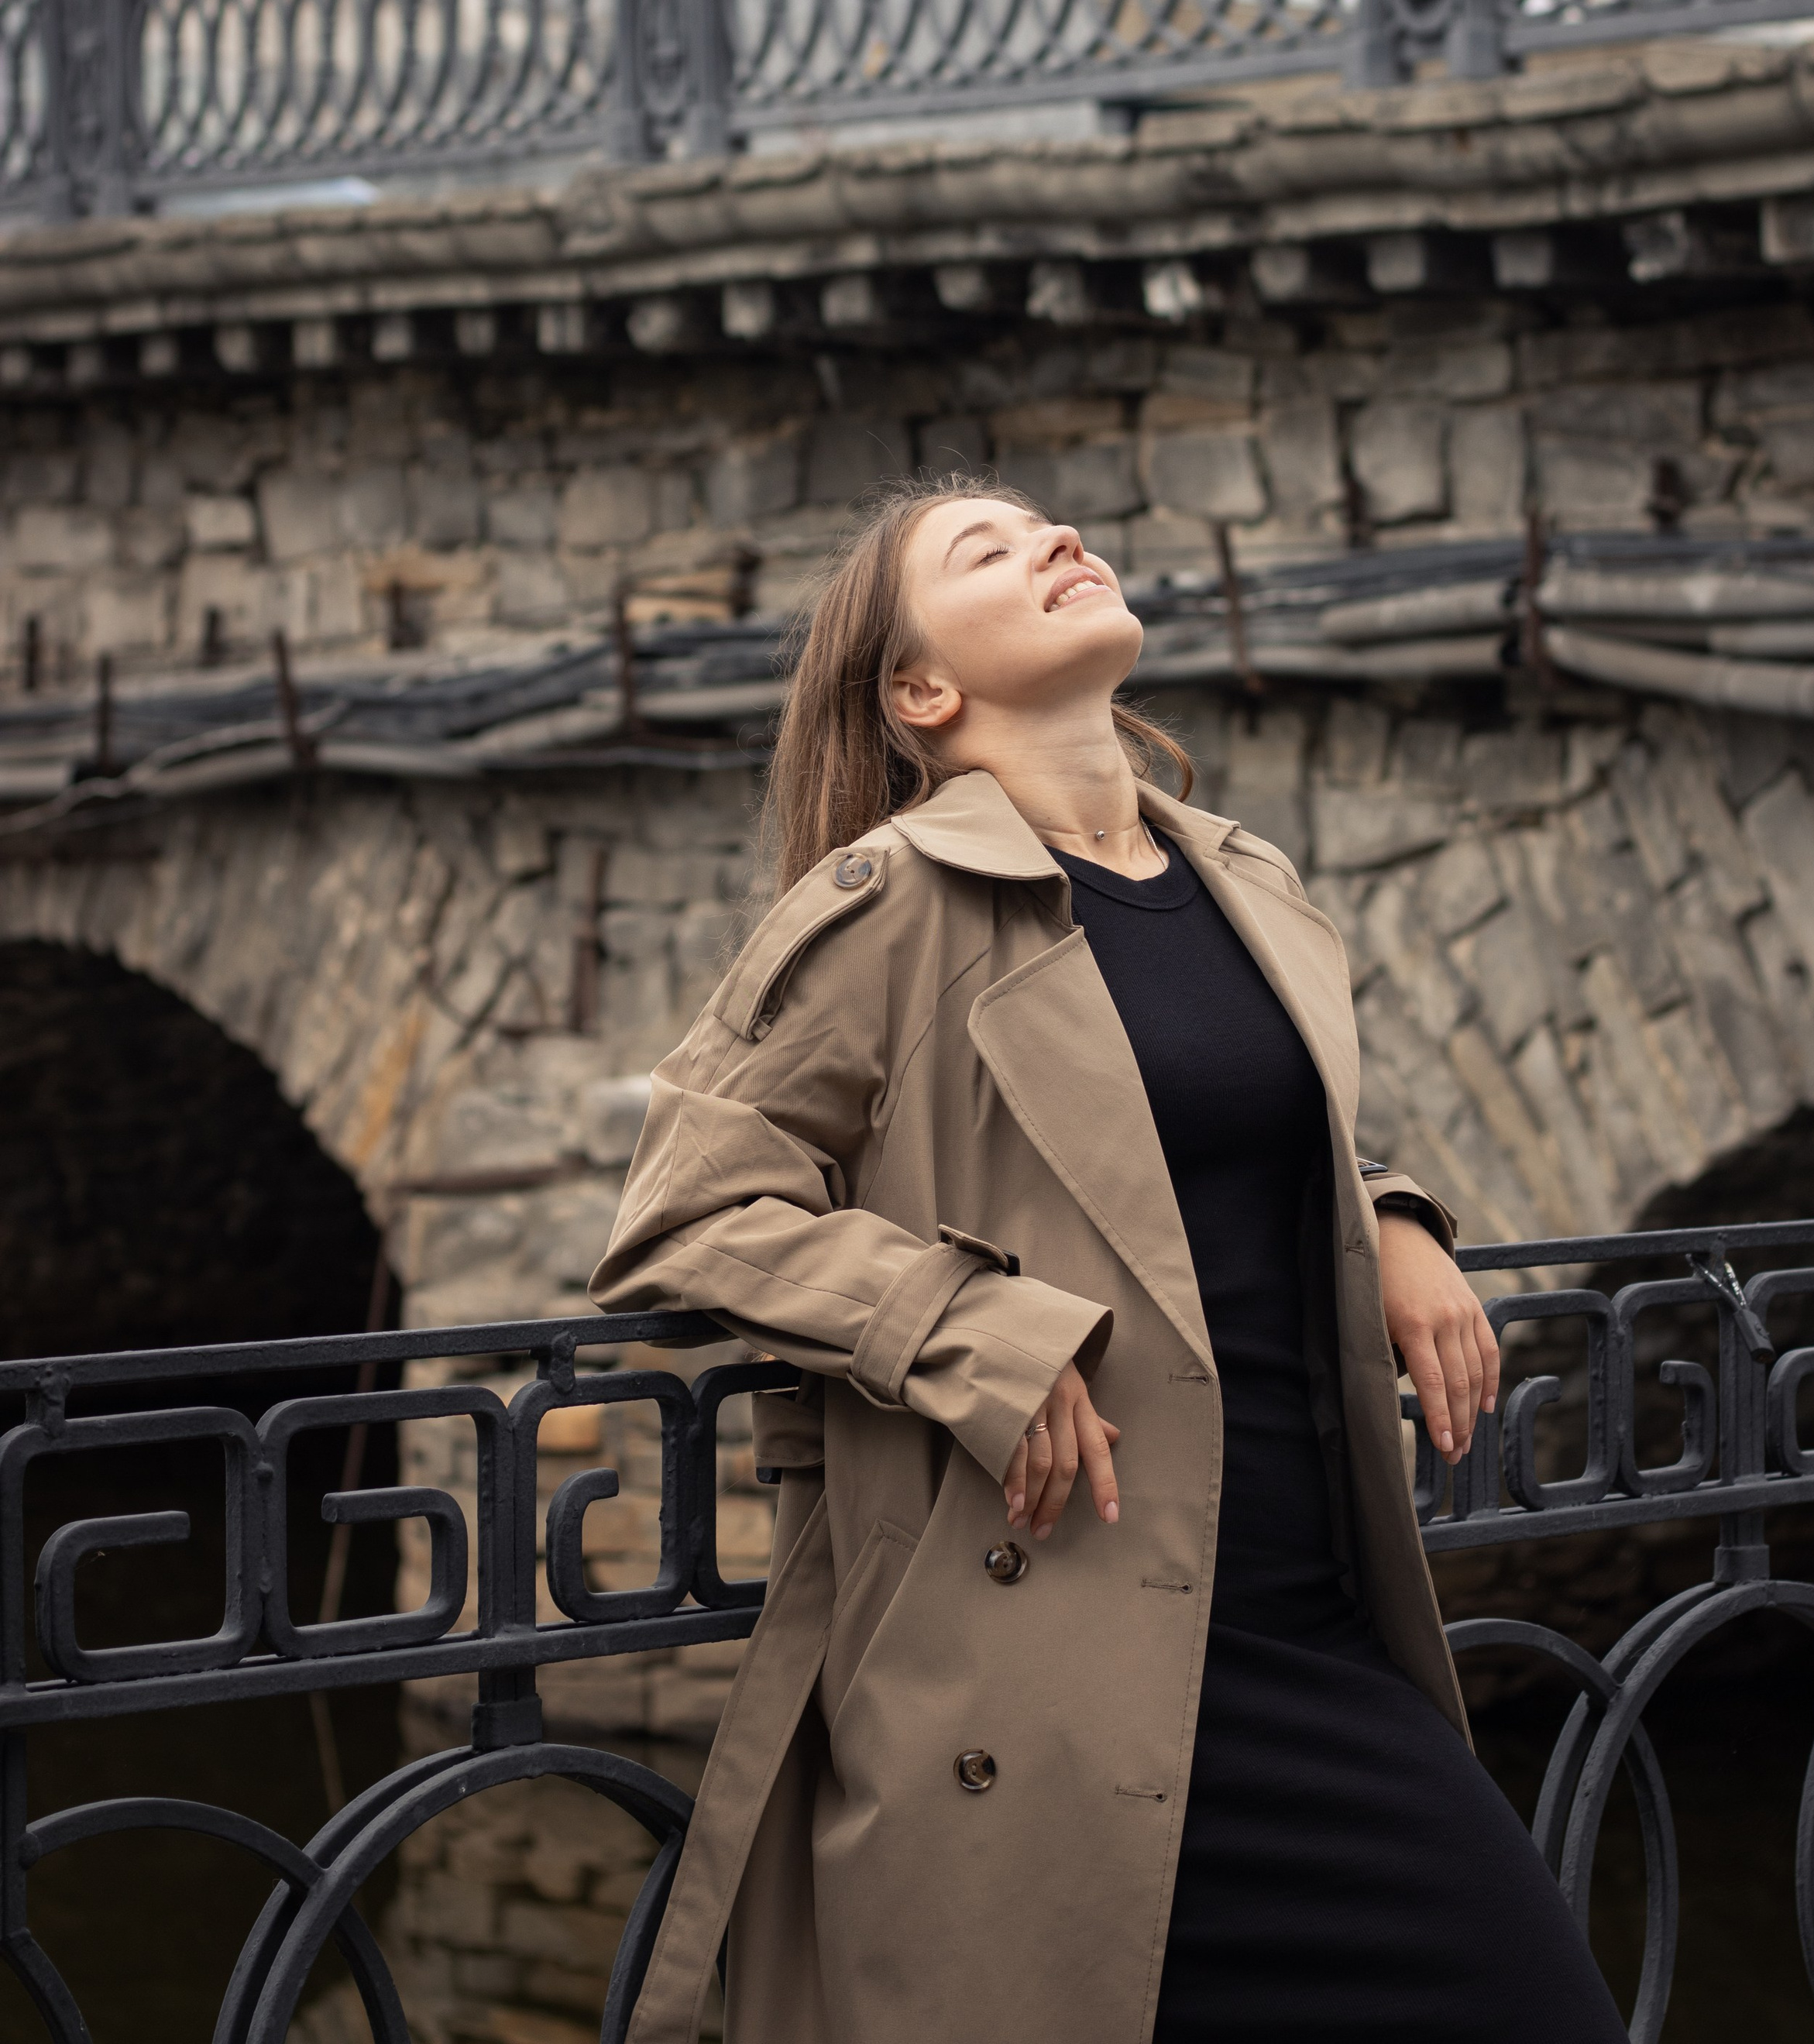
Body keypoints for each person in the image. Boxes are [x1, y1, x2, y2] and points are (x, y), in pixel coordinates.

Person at [591, 474, 1628, 2044]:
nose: (1055, 543)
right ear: (921, 692)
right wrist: (967, 1332)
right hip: (1050, 1664)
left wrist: (1392, 1214)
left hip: (1306, 1625)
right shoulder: (887, 909)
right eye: (985, 553)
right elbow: (685, 1209)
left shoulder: (1239, 878)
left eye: (1049, 527)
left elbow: (1197, 1151)